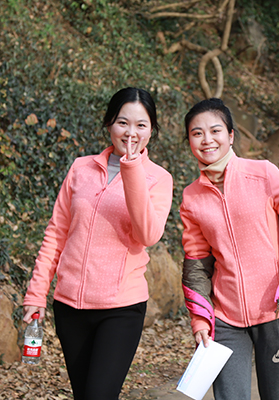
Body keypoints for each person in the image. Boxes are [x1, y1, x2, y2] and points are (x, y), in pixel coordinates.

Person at [22, 87, 173, 399]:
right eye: (123, 122)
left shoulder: (158, 178)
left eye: (141, 125)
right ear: (109, 124)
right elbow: (56, 232)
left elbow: (148, 234)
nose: (131, 132)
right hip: (69, 307)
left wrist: (132, 168)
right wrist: (37, 293)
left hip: (121, 308)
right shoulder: (81, 168)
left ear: (151, 131)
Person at [180, 98, 279, 400]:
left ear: (231, 135)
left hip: (278, 311)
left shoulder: (263, 173)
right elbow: (196, 263)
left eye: (215, 130)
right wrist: (200, 318)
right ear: (189, 140)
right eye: (197, 133)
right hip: (226, 318)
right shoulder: (191, 196)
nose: (207, 140)